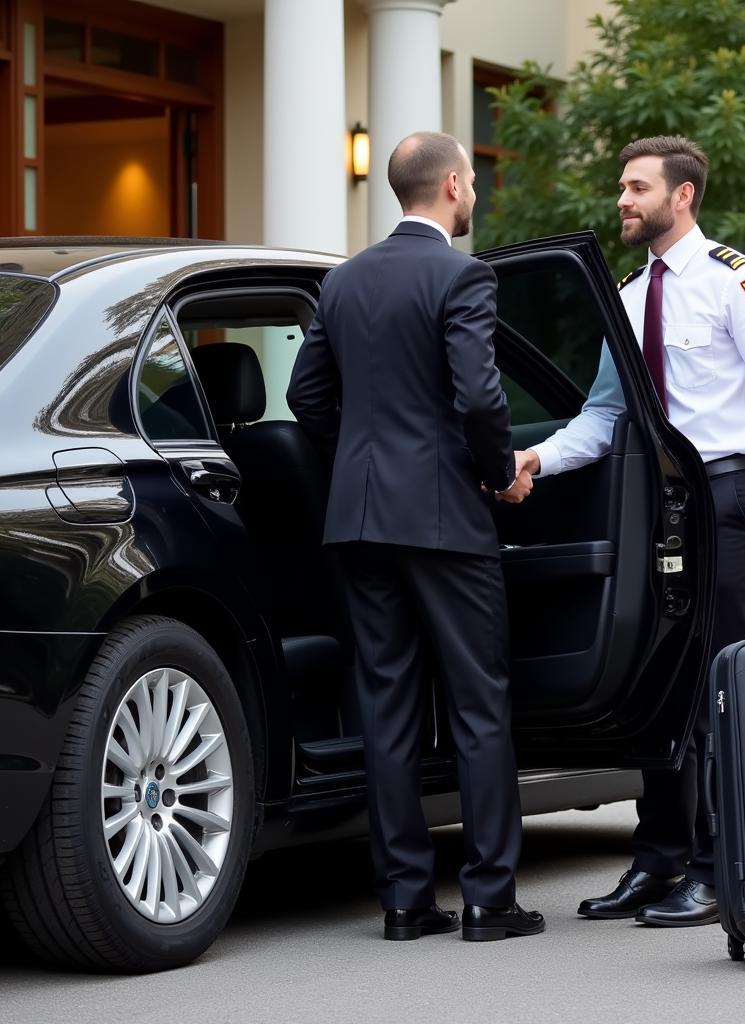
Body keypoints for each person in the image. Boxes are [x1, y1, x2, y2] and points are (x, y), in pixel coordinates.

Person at [507, 135, 745, 927]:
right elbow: (604, 415)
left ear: (682, 197)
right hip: (657, 505)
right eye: (622, 185)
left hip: (727, 494)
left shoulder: (732, 282)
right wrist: (534, 460)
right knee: (659, 684)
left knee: (722, 680)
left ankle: (719, 870)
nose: (623, 198)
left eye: (637, 186)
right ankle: (658, 860)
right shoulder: (625, 291)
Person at [287, 131, 543, 943]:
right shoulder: (463, 275)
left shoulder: (344, 279)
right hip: (443, 517)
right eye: (472, 184)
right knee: (478, 703)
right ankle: (489, 899)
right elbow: (477, 395)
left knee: (387, 706)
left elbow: (307, 396)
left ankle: (403, 901)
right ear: (455, 187)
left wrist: (365, 461)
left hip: (360, 518)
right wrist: (498, 469)